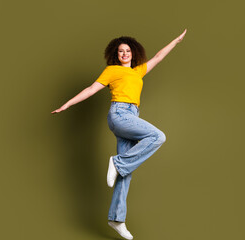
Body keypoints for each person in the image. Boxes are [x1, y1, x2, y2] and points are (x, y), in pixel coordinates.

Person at [51, 29, 187, 240]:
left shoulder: (138, 71)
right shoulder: (112, 70)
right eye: (121, 51)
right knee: (158, 136)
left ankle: (116, 218)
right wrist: (67, 104)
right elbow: (90, 89)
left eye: (128, 51)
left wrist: (176, 41)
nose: (125, 53)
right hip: (120, 114)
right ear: (116, 54)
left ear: (134, 53)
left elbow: (159, 57)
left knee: (125, 174)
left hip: (132, 115)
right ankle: (117, 163)